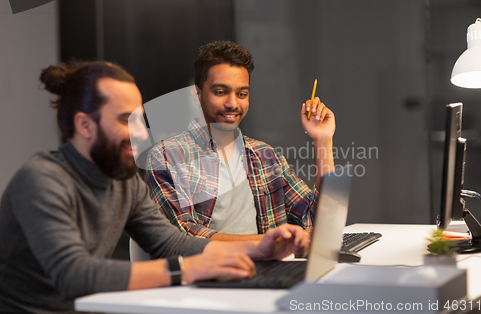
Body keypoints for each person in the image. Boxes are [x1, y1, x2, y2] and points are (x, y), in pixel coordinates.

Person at [0, 61, 308, 314]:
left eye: (139, 119)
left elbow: (169, 243)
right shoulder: (41, 180)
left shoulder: (123, 182)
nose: (139, 132)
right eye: (125, 120)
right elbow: (75, 275)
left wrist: (258, 247)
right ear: (85, 125)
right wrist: (187, 270)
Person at [145, 41, 335, 241]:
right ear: (196, 94)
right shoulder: (167, 156)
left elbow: (318, 221)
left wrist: (322, 140)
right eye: (220, 92)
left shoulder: (265, 156)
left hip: (270, 269)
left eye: (242, 94)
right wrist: (270, 243)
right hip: (212, 270)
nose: (232, 103)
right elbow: (184, 237)